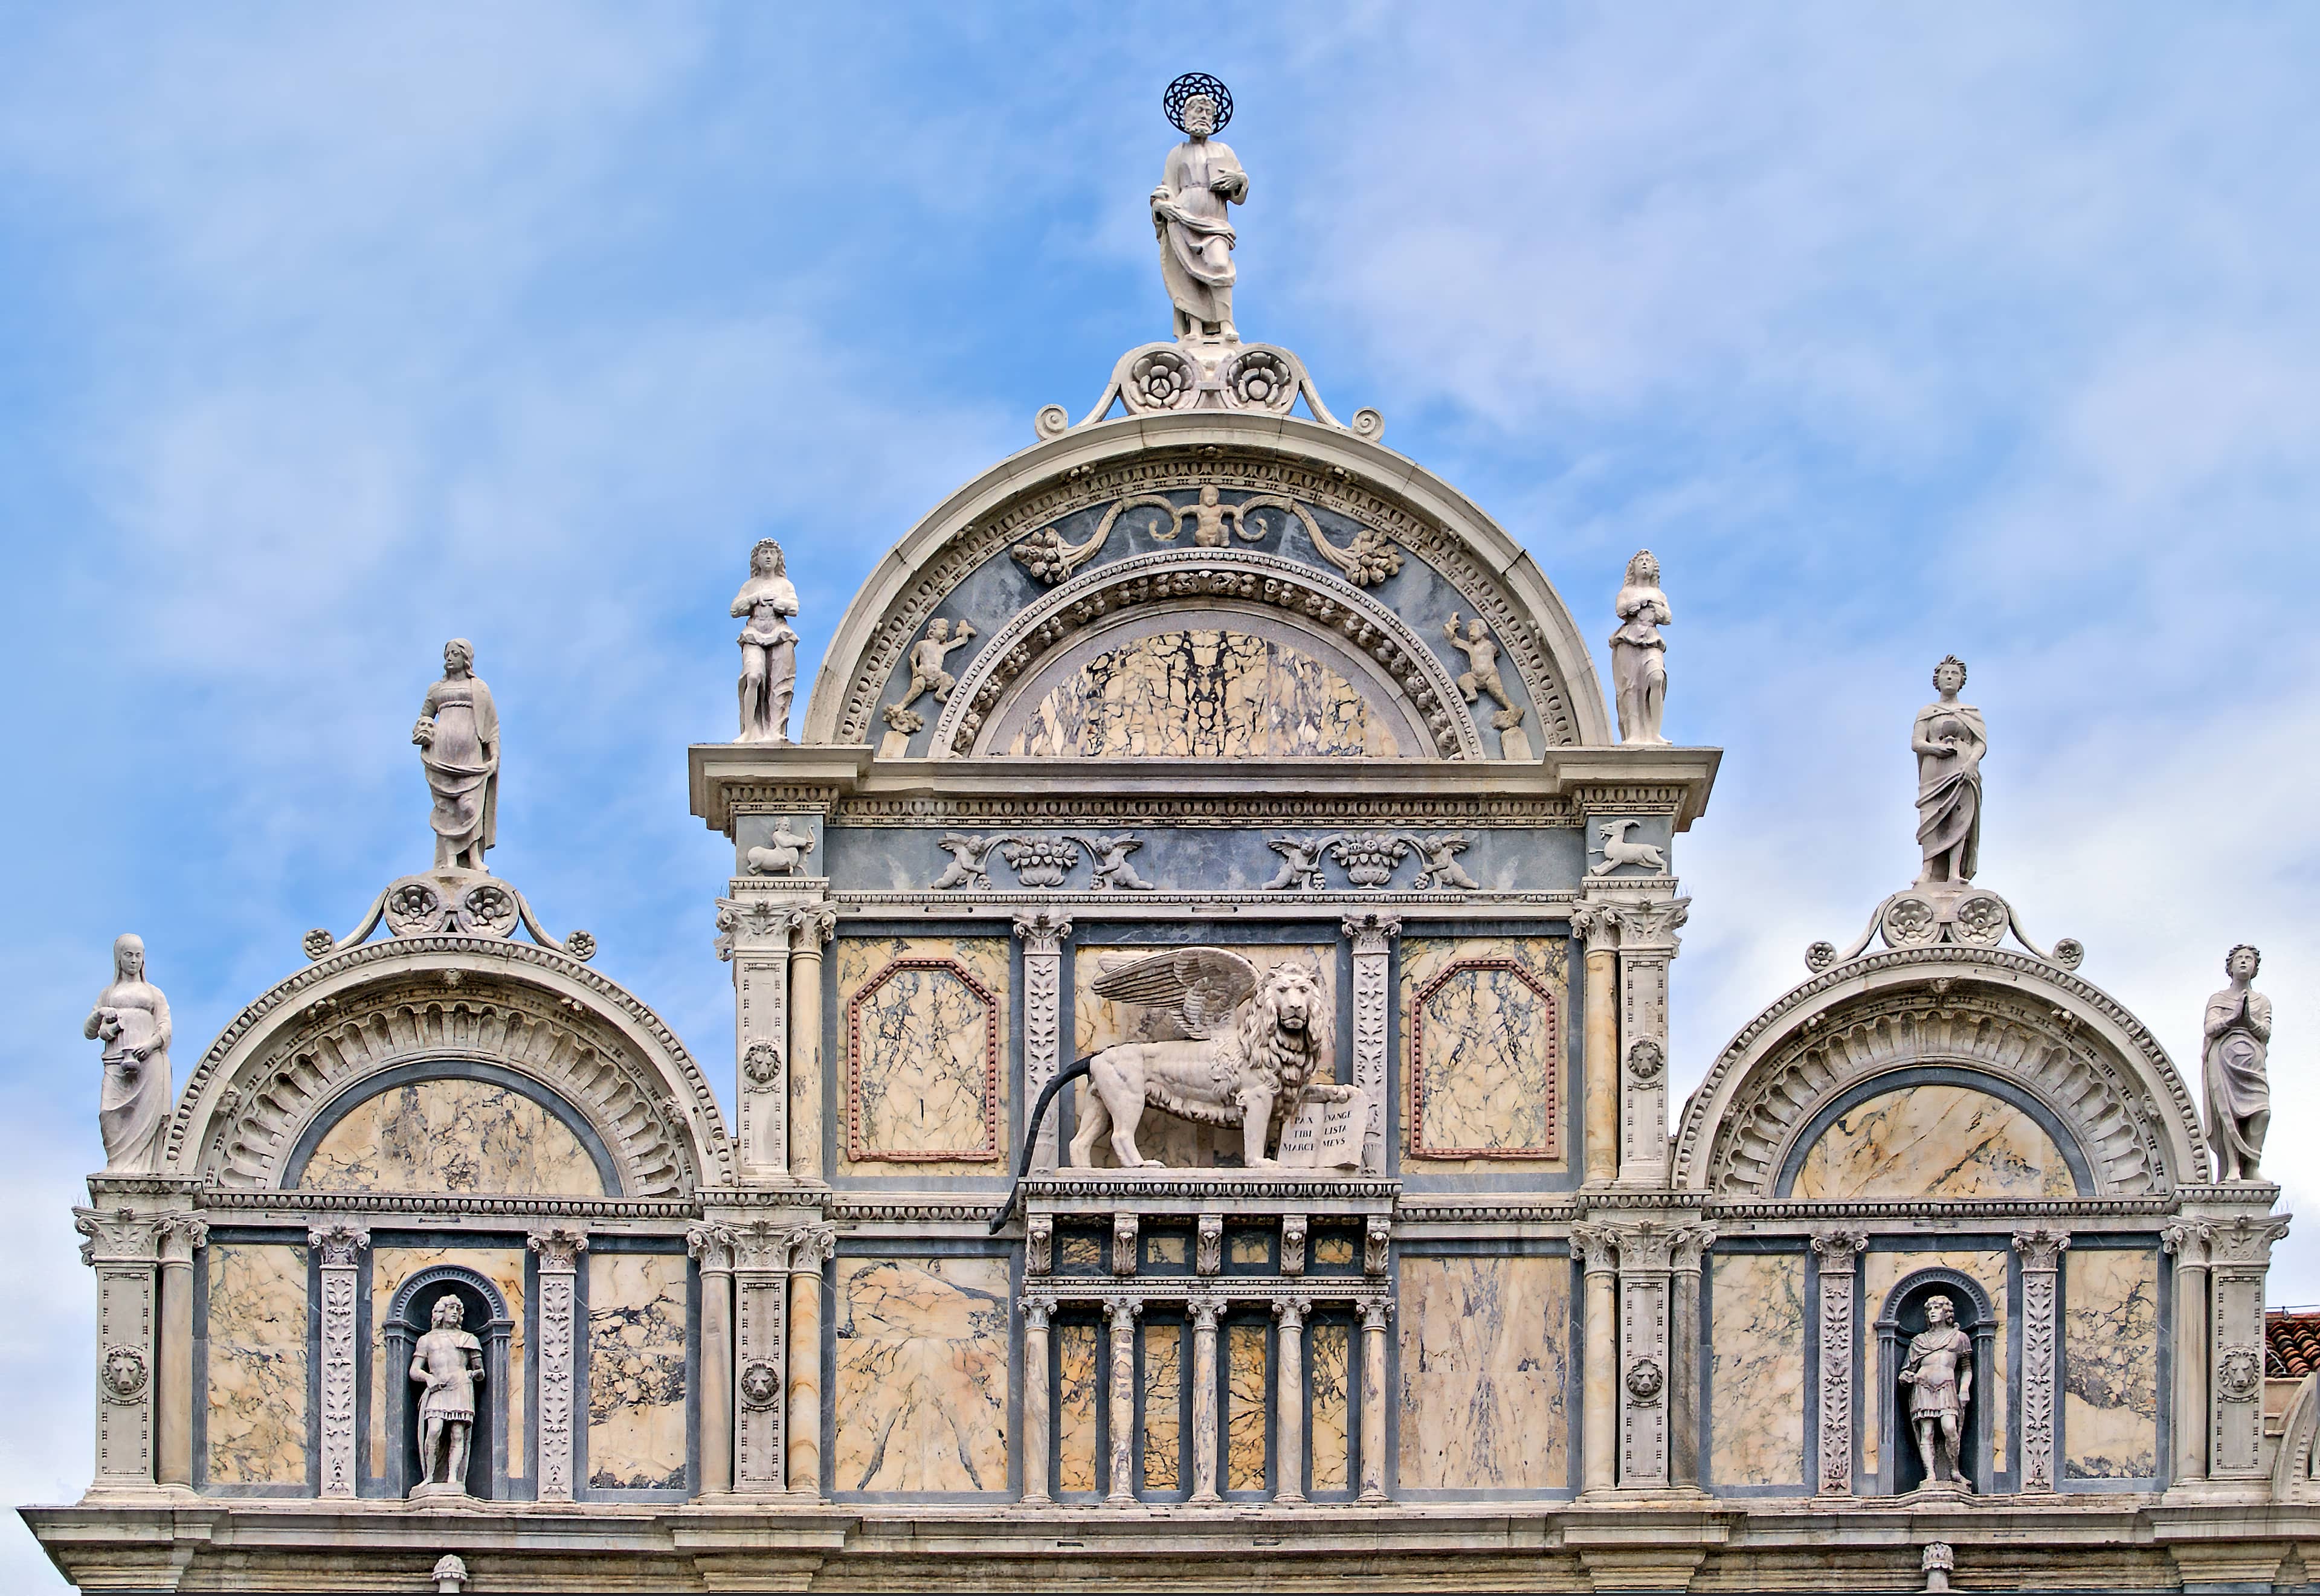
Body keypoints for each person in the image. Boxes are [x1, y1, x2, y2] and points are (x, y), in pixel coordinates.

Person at [1151, 93, 1248, 341]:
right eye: (1197, 112)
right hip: (1182, 218)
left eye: (1207, 113)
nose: (1202, 117)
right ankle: (1194, 328)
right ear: (1186, 117)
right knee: (1188, 273)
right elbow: (1166, 188)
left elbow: (1239, 191)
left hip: (1214, 220)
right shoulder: (1177, 153)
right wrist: (1162, 205)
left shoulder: (1223, 150)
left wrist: (1239, 181)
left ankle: (1226, 323)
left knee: (1218, 264)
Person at [82, 933, 171, 1171]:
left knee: (147, 1118)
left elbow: (165, 1028)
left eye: (138, 956)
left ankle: (144, 1169)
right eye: (128, 955)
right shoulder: (108, 994)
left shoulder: (154, 994)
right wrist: (102, 1019)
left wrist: (150, 1045)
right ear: (118, 958)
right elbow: (89, 1031)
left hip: (148, 1063)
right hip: (116, 1062)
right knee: (108, 1113)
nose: (133, 961)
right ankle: (118, 1165)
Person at [412, 640, 500, 873]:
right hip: (441, 756)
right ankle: (449, 858)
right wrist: (424, 732)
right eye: (447, 654)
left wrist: (493, 756)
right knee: (447, 809)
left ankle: (472, 857)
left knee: (470, 806)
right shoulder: (436, 690)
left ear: (466, 659)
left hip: (471, 756)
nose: (449, 658)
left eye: (454, 654)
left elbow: (492, 726)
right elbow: (425, 718)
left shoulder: (479, 689)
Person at [1911, 656, 1985, 886]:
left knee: (1960, 817)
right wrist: (1936, 748)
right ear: (1938, 680)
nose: (1950, 678)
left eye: (1955, 674)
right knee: (1932, 816)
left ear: (1962, 680)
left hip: (1963, 768)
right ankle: (1928, 870)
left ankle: (1954, 872)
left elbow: (1980, 743)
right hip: (1935, 768)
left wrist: (1971, 762)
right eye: (1946, 674)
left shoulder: (1971, 712)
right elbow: (1917, 743)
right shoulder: (1928, 711)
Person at [2203, 944, 2272, 1181]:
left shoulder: (2262, 1002)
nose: (2244, 962)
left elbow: (2265, 1032)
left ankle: (2252, 1164)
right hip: (2224, 1059)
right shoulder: (2218, 999)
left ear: (2255, 968)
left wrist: (2250, 1021)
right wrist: (2233, 1019)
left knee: (2262, 1112)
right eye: (2239, 958)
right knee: (2228, 1115)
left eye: (2249, 959)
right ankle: (2233, 1167)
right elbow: (2210, 1028)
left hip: (2253, 1061)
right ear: (2230, 967)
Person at [1898, 1294, 1974, 1491]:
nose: (1932, 1312)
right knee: (1927, 1432)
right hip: (1922, 1387)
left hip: (1947, 1387)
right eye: (1930, 1309)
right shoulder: (1919, 1341)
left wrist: (1964, 1390)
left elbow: (1966, 1368)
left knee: (1950, 1428)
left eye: (1937, 1308)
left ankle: (1954, 1471)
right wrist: (1906, 1376)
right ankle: (1930, 1475)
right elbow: (1908, 1369)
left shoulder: (1959, 1338)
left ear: (1947, 1312)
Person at [410, 1294, 485, 1495]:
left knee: (457, 1434)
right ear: (441, 1312)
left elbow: (480, 1371)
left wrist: (473, 1373)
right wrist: (428, 1378)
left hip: (461, 1386)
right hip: (438, 1389)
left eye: (457, 1309)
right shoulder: (427, 1340)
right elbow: (414, 1370)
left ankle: (453, 1478)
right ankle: (430, 1477)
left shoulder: (468, 1339)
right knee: (434, 1431)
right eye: (451, 1308)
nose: (455, 1312)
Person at [732, 539, 800, 744]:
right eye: (764, 553)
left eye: (772, 553)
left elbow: (794, 609)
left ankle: (774, 731)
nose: (768, 556)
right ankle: (749, 730)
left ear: (779, 558)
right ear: (757, 559)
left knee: (779, 685)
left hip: (779, 634)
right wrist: (755, 598)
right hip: (754, 635)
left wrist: (779, 603)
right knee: (753, 676)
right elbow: (735, 610)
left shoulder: (784, 585)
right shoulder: (750, 585)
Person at [1610, 552, 1671, 745]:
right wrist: (1635, 605)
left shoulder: (1659, 594)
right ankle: (1635, 734)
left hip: (1652, 640)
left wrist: (1654, 607)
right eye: (1641, 561)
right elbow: (1621, 610)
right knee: (1631, 687)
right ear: (1633, 569)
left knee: (1656, 678)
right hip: (1629, 640)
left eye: (1649, 562)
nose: (1645, 564)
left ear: (1654, 569)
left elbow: (1667, 618)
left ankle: (1654, 732)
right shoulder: (1626, 593)